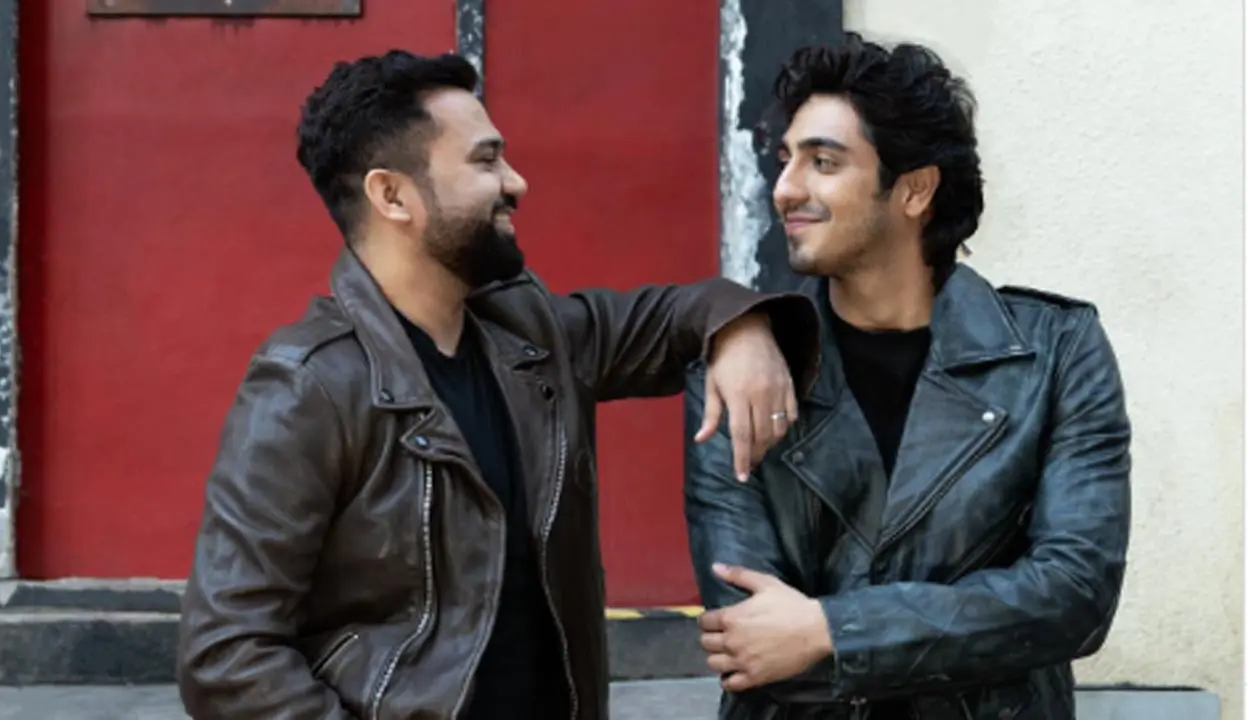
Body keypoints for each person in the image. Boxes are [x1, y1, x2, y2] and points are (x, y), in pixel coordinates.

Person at [175, 49, 821, 720]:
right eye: (485, 161)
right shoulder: (308, 386)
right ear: (392, 196)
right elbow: (226, 654)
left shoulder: (528, 331)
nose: (516, 182)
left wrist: (742, 330)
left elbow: (672, 317)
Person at [684, 33, 1131, 719]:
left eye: (823, 162)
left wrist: (830, 630)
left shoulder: (1055, 353)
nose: (786, 189)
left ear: (915, 190)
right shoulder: (740, 370)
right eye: (785, 160)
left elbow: (1074, 597)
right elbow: (748, 639)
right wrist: (974, 628)